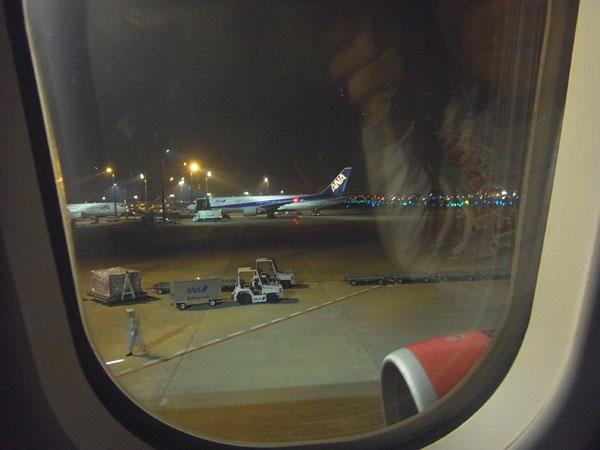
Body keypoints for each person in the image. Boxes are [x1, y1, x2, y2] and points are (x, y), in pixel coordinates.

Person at [326, 0, 536, 271]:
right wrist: (387, 116)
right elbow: (416, 249)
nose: (479, 22)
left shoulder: (563, 141)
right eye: (463, 10)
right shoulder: (458, 113)